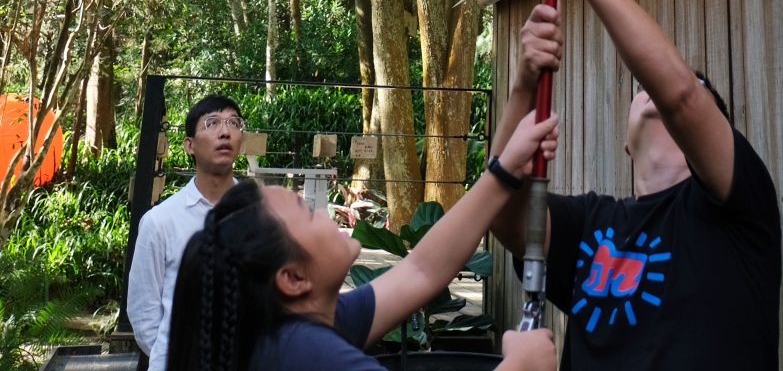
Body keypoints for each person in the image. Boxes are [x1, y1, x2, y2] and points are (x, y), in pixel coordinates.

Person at [488, 0, 782, 371]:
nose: (659, 91)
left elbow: (682, 96)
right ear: (625, 144)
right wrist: (524, 81)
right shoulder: (590, 224)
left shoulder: (740, 209)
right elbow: (498, 209)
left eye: (696, 88)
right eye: (643, 88)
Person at [165, 106, 560, 371]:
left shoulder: (301, 323)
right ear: (293, 279)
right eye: (305, 212)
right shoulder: (305, 353)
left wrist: (505, 169)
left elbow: (422, 270)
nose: (320, 211)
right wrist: (520, 365)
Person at [128, 94, 246, 371]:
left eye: (234, 123)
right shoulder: (160, 221)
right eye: (212, 123)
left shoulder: (263, 215)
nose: (225, 131)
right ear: (189, 145)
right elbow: (143, 310)